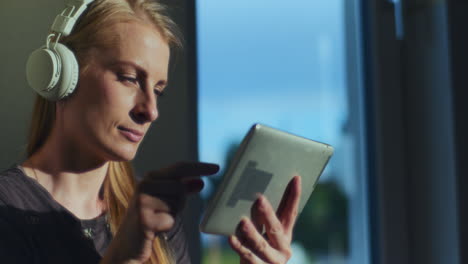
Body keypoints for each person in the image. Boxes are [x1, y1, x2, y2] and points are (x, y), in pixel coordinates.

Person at [0, 0, 302, 263]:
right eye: (130, 78)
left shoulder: (153, 216)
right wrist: (124, 257)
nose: (151, 110)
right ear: (63, 75)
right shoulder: (6, 208)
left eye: (158, 90)